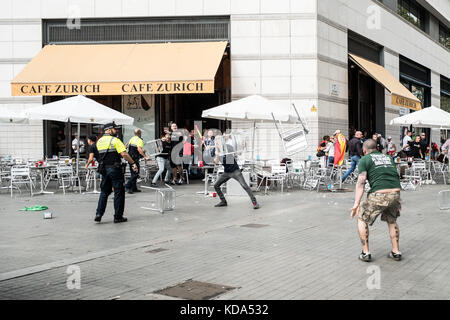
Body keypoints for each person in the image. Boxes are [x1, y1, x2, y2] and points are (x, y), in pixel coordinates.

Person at [350, 139, 402, 262]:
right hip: (395, 192)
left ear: (364, 150)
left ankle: (365, 252)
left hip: (379, 194)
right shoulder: (388, 157)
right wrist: (398, 199)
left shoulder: (365, 159)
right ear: (377, 148)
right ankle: (396, 252)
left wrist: (356, 204)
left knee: (362, 218)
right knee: (392, 220)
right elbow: (395, 176)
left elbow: (361, 183)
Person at [94, 122, 138, 224]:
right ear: (108, 130)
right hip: (115, 169)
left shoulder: (99, 142)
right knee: (119, 192)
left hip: (104, 170)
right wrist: (133, 163)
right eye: (115, 129)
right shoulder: (115, 140)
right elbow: (124, 153)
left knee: (104, 192)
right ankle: (118, 216)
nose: (117, 130)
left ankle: (99, 214)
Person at [213, 136, 260, 209]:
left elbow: (234, 157)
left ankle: (255, 202)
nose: (216, 142)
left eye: (218, 140)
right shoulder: (216, 150)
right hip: (226, 172)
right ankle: (223, 201)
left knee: (244, 186)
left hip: (235, 171)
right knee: (216, 185)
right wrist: (217, 154)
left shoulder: (228, 147)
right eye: (215, 140)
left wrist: (243, 146)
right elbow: (215, 162)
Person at [125, 129, 150, 194]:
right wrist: (145, 156)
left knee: (133, 173)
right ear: (140, 133)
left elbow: (126, 146)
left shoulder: (132, 138)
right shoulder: (139, 140)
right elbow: (139, 149)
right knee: (135, 173)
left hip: (130, 158)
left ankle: (134, 188)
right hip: (134, 159)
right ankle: (127, 186)